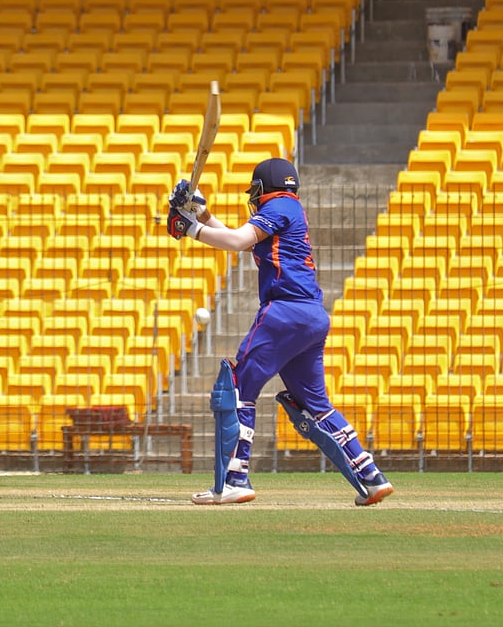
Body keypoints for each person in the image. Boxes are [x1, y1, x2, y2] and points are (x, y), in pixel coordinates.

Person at [166, 159, 393, 506]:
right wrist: (202, 214)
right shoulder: (289, 209)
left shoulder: (279, 206)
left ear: (263, 188)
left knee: (237, 389)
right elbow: (242, 241)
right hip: (311, 316)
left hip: (284, 311)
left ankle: (235, 479)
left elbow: (236, 240)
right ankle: (370, 475)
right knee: (316, 404)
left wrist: (189, 228)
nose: (253, 198)